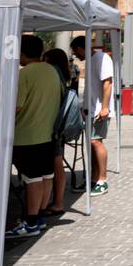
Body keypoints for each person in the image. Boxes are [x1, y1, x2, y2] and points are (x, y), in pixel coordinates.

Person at [6, 35, 63, 238]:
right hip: (47, 134)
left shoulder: (24, 74)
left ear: (22, 52)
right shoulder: (52, 71)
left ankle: (29, 222)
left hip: (26, 136)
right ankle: (38, 218)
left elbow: (17, 106)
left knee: (32, 180)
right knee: (46, 177)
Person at [71, 35, 113, 197]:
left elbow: (107, 83)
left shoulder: (102, 58)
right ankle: (94, 179)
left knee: (96, 142)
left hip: (99, 111)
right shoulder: (92, 60)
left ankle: (102, 179)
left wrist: (104, 107)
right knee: (91, 143)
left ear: (82, 48)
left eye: (76, 52)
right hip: (90, 109)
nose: (77, 56)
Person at [42, 48, 74, 217]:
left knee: (55, 164)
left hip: (51, 126)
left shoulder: (52, 73)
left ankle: (56, 203)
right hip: (58, 125)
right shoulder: (63, 75)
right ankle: (56, 201)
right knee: (57, 163)